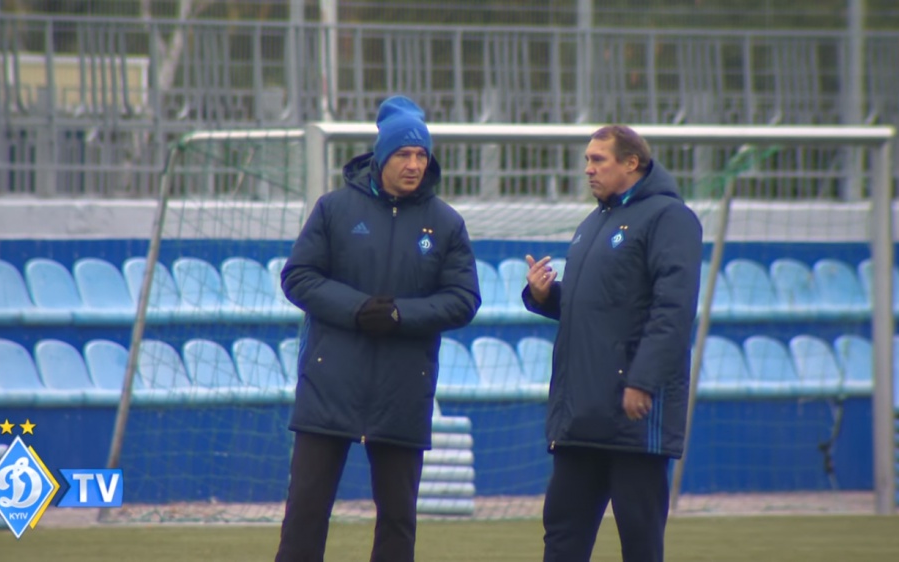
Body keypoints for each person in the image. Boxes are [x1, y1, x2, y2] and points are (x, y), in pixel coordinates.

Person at [275, 95, 481, 562]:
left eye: (421, 155)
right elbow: (298, 276)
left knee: (397, 521)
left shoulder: (446, 223)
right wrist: (358, 309)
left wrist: (399, 315)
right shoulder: (334, 209)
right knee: (305, 513)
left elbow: (464, 299)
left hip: (403, 390)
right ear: (381, 155)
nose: (414, 165)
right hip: (329, 384)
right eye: (403, 154)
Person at [523, 125, 703, 562]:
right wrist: (545, 296)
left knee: (639, 542)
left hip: (634, 415)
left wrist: (643, 381)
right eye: (587, 160)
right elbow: (598, 306)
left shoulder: (670, 218)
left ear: (631, 163)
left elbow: (673, 310)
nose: (588, 169)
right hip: (581, 413)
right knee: (561, 536)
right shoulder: (592, 223)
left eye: (598, 160)